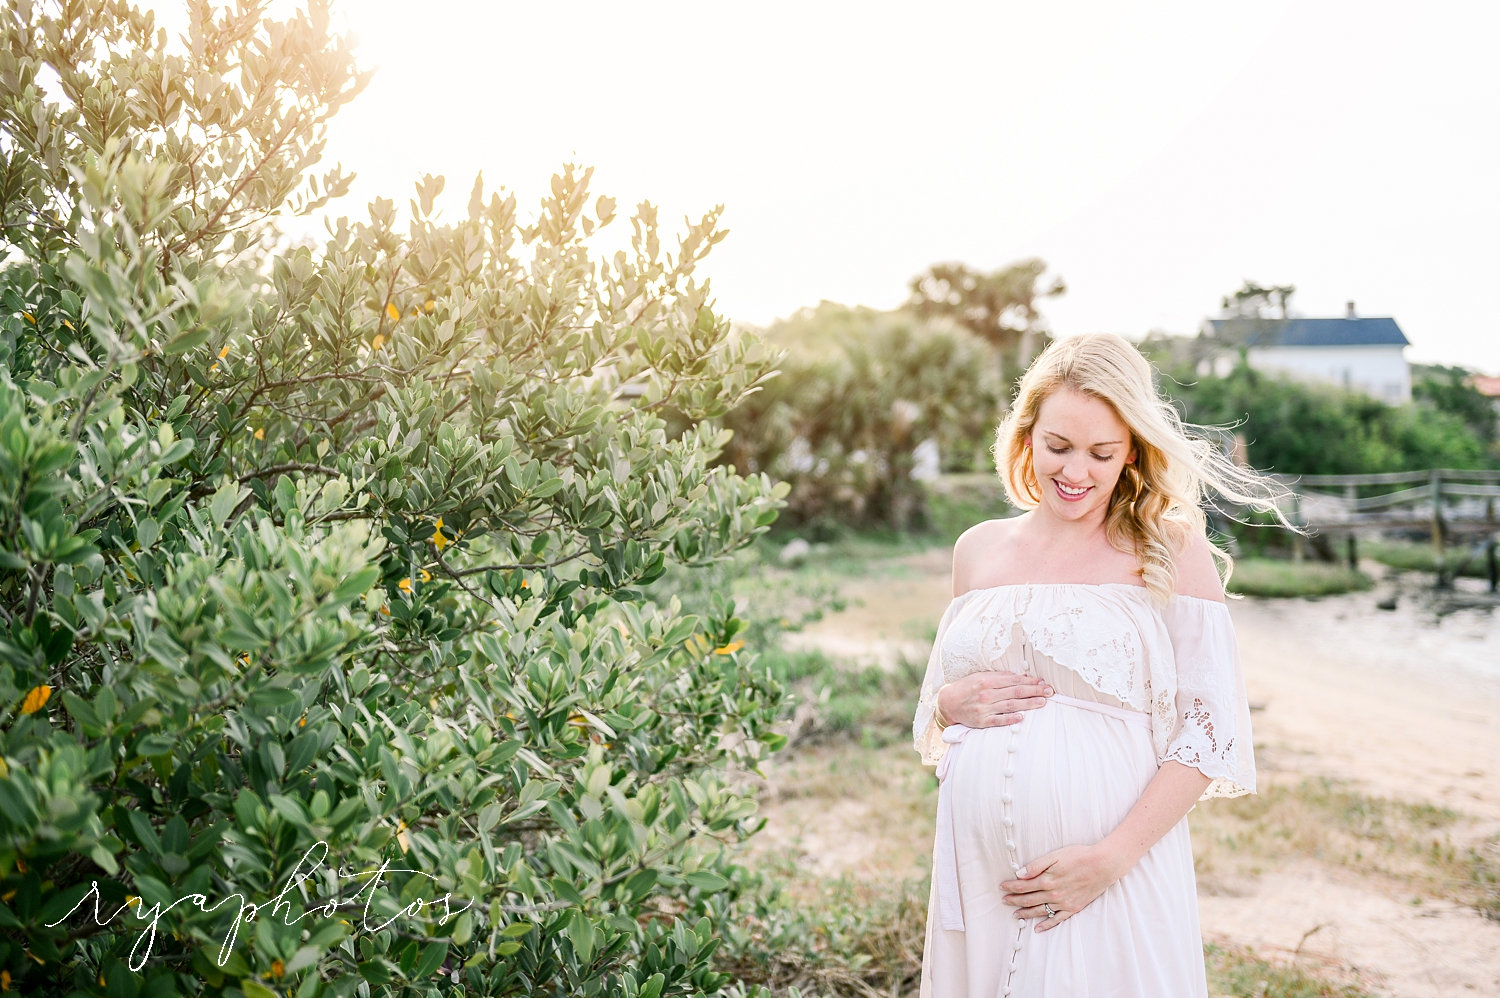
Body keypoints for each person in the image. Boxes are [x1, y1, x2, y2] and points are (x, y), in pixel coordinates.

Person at [912, 333, 1291, 997]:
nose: (1076, 471)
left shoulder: (1169, 547)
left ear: (1133, 453)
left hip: (1110, 875)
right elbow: (942, 699)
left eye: (1101, 453)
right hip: (979, 878)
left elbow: (1209, 732)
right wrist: (948, 704)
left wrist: (1108, 861)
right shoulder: (977, 550)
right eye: (1058, 446)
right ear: (1026, 436)